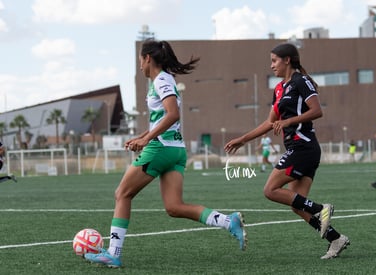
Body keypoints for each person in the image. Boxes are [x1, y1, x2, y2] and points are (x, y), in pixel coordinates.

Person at [84, 39, 247, 268]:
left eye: (140, 60)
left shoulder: (161, 80)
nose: (139, 66)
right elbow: (163, 118)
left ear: (147, 58)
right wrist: (142, 136)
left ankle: (113, 253)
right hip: (175, 150)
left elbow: (173, 114)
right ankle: (228, 222)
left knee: (122, 194)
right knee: (174, 207)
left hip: (161, 147)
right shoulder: (165, 80)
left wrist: (147, 139)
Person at [225, 42, 349, 259]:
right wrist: (242, 139)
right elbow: (270, 122)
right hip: (299, 148)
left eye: (274, 60)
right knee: (298, 204)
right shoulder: (279, 89)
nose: (271, 65)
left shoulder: (301, 82)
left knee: (270, 190)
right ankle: (336, 239)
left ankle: (321, 208)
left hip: (304, 147)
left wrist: (289, 120)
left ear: (287, 60)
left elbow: (317, 111)